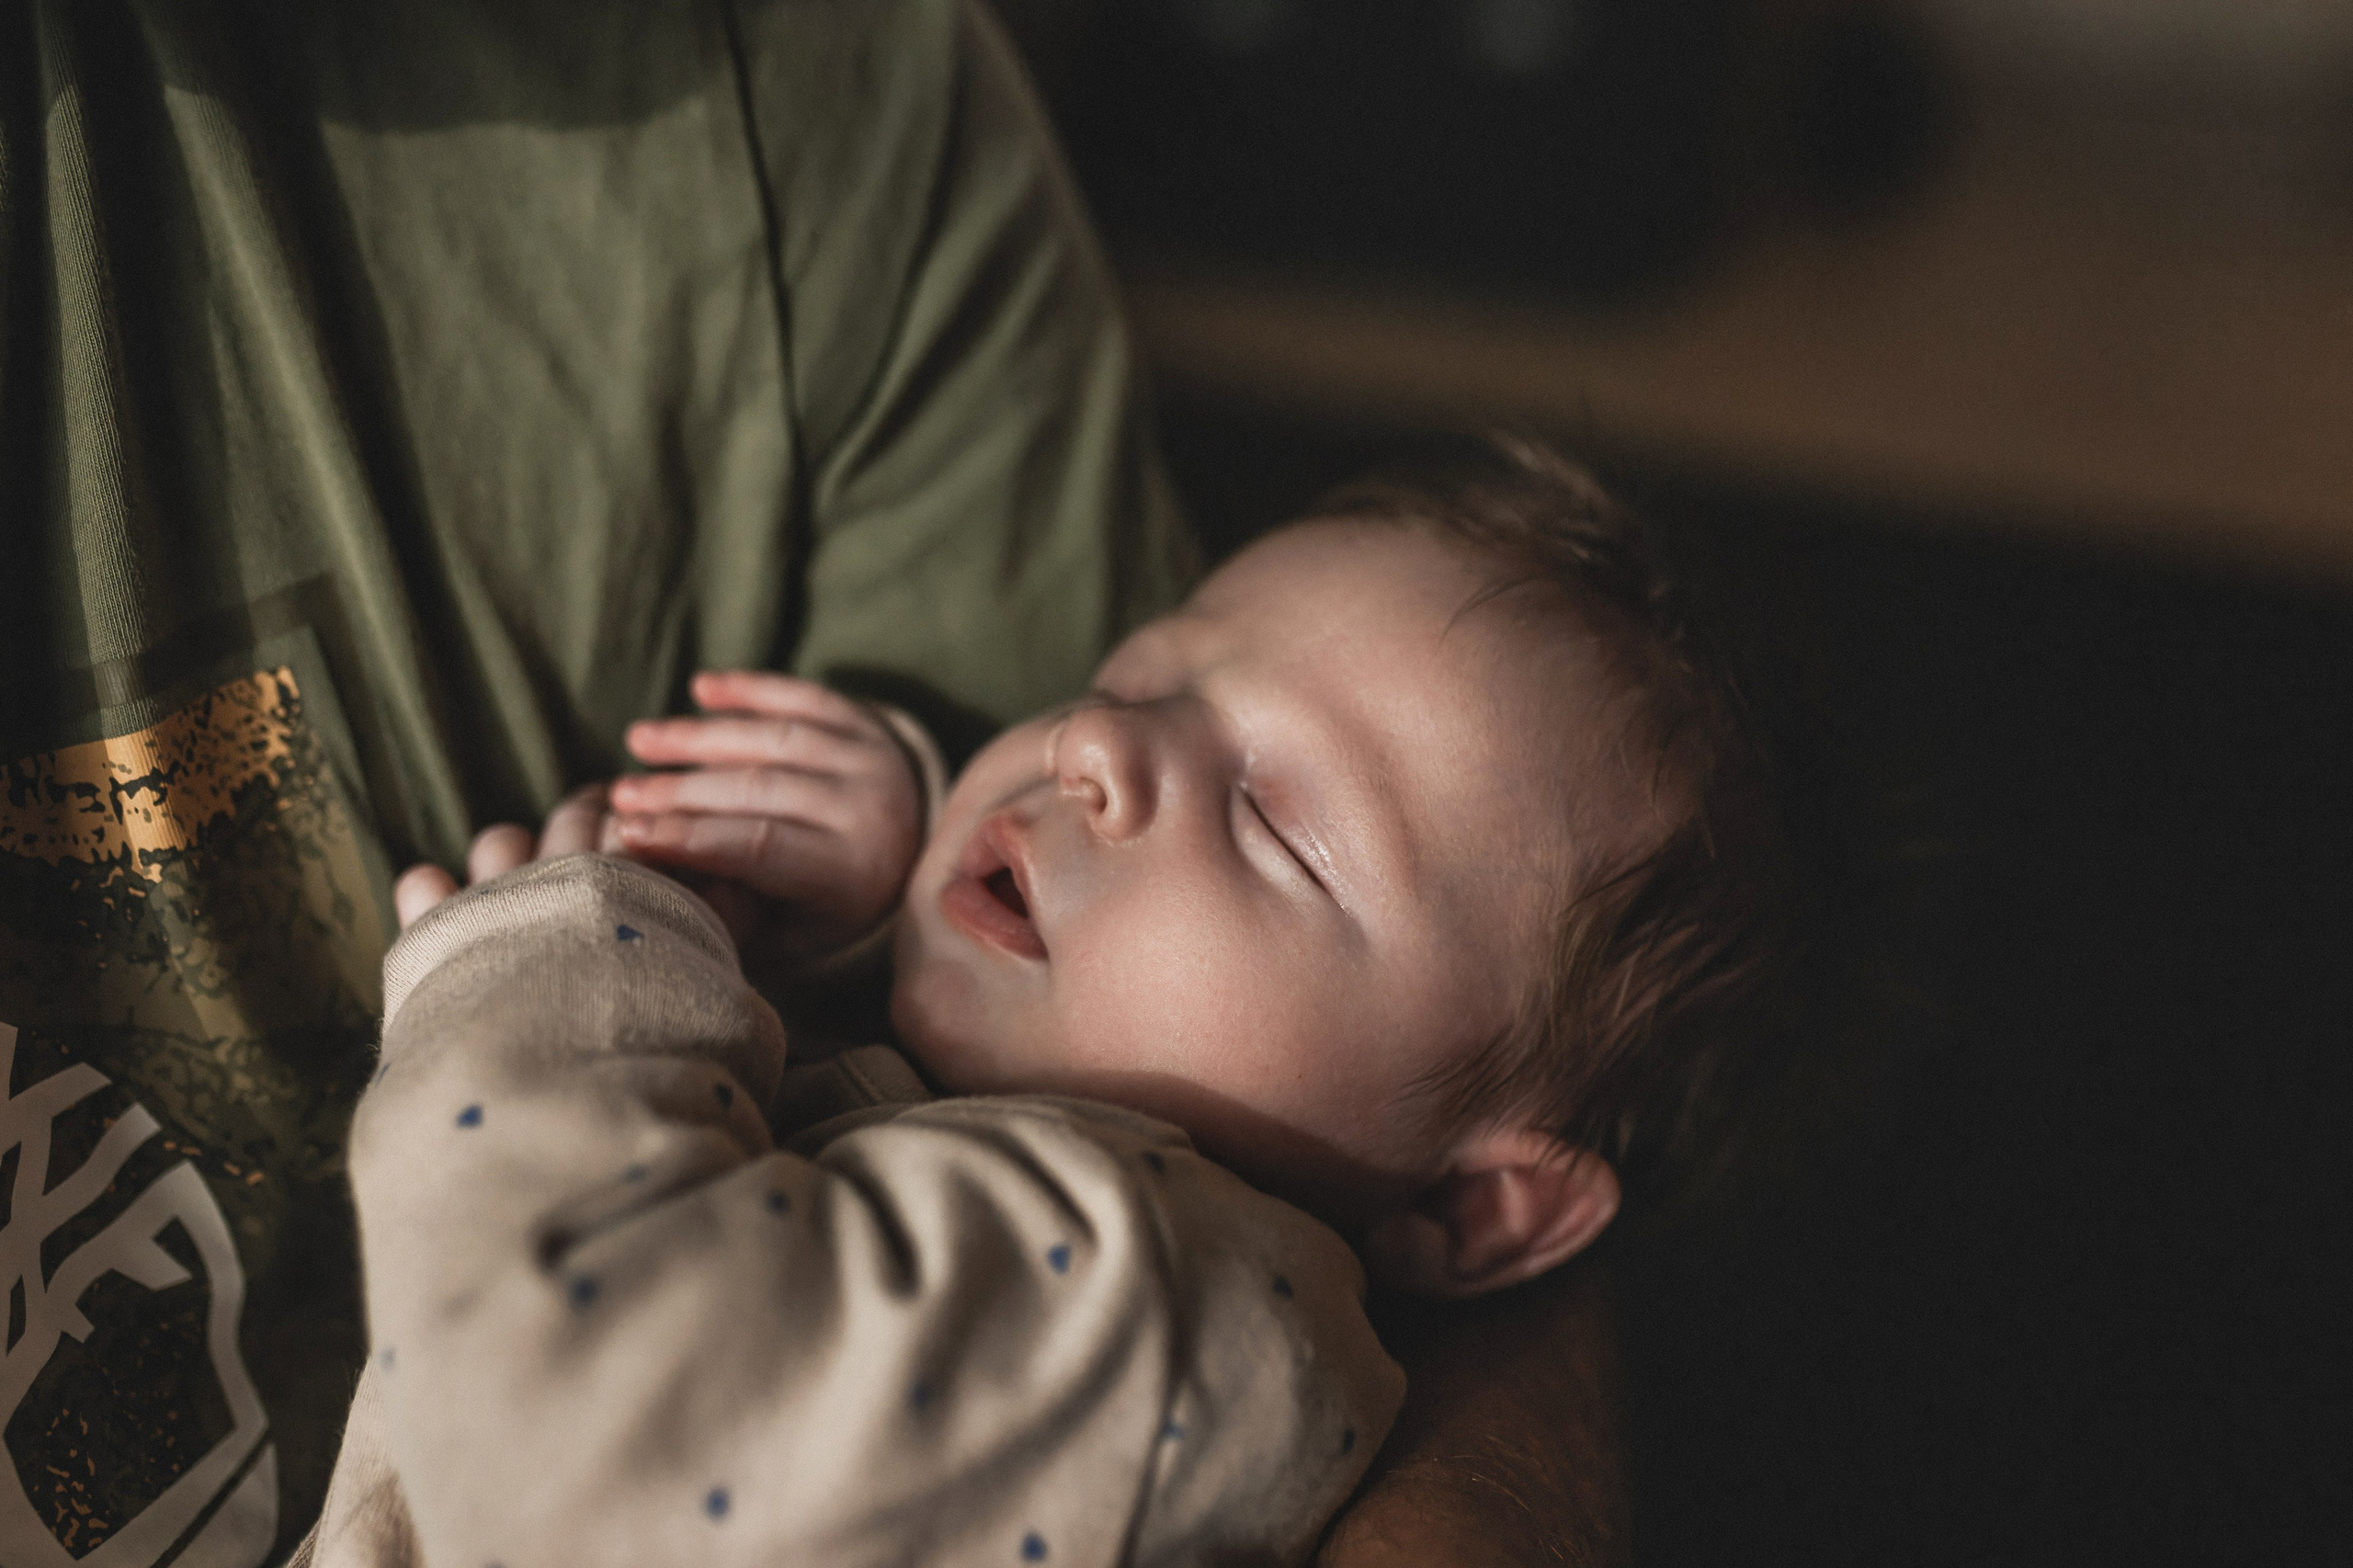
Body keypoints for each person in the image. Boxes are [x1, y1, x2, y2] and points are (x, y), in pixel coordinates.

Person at [317, 447, 1787, 1564]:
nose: (1092, 739)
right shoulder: (1108, 1218)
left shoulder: (1147, 1288)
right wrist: (868, 926)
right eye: (1140, 679)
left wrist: (552, 977)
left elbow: (583, 1429)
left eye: (1279, 827)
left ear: (1472, 1212)